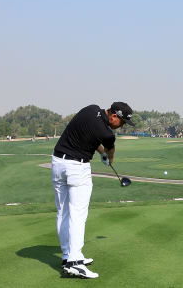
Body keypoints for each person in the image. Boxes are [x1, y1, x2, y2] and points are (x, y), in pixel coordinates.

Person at [51, 101, 132, 279]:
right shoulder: (108, 134)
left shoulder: (91, 109)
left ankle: (68, 256)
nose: (122, 126)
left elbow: (89, 133)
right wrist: (108, 157)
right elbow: (110, 154)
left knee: (63, 212)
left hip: (58, 163)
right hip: (76, 168)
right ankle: (75, 263)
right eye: (123, 122)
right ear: (113, 116)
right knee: (78, 215)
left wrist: (100, 151)